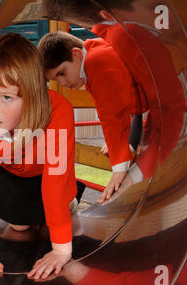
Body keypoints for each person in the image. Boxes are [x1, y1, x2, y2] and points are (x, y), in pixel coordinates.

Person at [0, 33, 85, 281]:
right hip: (9, 177)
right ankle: (28, 216)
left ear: (31, 96)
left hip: (46, 176)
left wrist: (61, 250)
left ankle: (68, 205)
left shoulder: (57, 112)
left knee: (55, 218)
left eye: (6, 97)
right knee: (19, 227)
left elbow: (56, 179)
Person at [38, 31, 147, 204]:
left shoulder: (97, 62)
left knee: (144, 167)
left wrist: (119, 169)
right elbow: (122, 103)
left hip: (164, 102)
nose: (63, 83)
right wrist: (123, 143)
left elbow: (112, 115)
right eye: (56, 81)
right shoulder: (93, 54)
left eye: (62, 73)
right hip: (143, 106)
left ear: (76, 54)